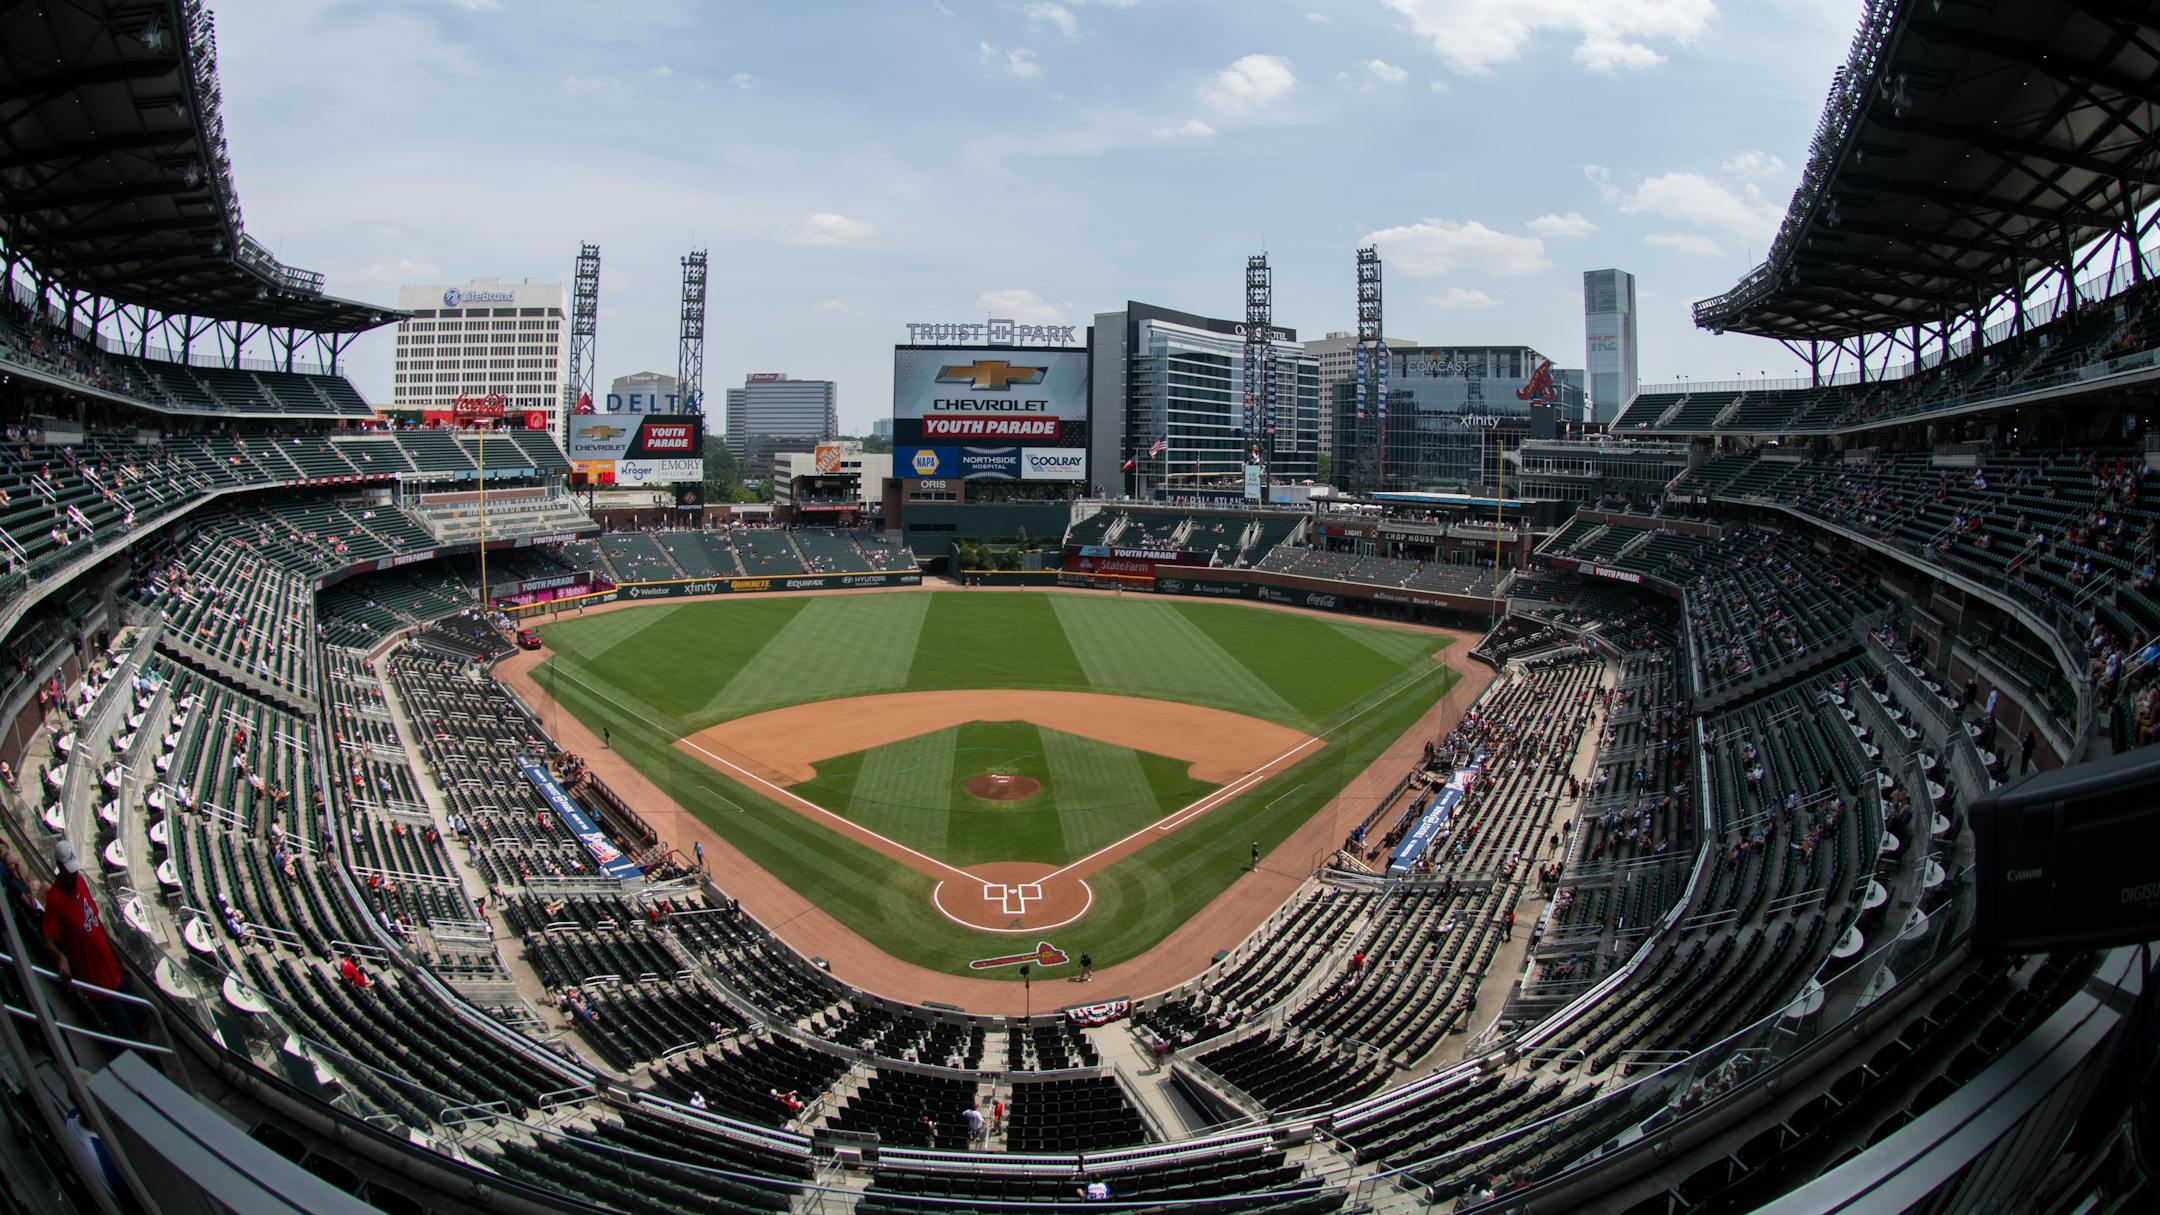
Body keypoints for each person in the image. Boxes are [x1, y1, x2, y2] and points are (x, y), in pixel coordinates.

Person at [41, 840, 144, 1040]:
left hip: (112, 968)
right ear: (60, 867)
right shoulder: (54, 899)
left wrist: (119, 960)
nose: (73, 875)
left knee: (144, 1018)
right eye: (69, 871)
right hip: (96, 981)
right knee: (128, 1035)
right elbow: (46, 939)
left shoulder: (80, 882)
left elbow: (98, 926)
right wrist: (60, 957)